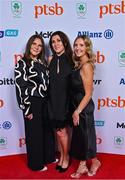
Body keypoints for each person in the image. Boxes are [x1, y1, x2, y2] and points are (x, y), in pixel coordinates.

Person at [14, 34, 55, 171]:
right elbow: (21, 86)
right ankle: (36, 164)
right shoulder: (22, 62)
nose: (37, 47)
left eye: (39, 45)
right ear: (29, 45)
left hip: (44, 101)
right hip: (32, 102)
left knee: (47, 131)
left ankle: (48, 157)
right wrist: (26, 108)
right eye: (34, 44)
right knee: (34, 134)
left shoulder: (42, 63)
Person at [69, 35, 101, 178]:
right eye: (76, 45)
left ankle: (94, 162)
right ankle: (85, 165)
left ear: (87, 47)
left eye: (81, 45)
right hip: (78, 106)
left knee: (86, 136)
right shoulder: (79, 64)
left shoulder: (87, 65)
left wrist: (78, 111)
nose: (78, 48)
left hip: (84, 108)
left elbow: (88, 93)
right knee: (82, 137)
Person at [47, 31, 74, 172]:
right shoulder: (50, 59)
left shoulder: (71, 59)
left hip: (65, 101)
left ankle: (66, 156)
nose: (56, 44)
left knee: (62, 132)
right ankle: (62, 155)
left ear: (64, 42)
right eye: (53, 41)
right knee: (58, 133)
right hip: (52, 101)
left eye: (58, 40)